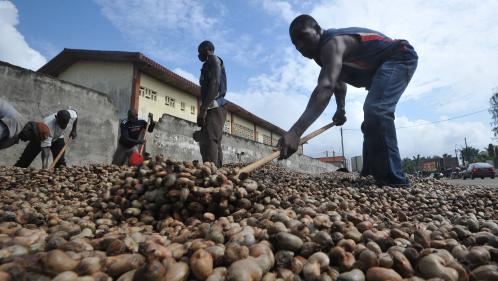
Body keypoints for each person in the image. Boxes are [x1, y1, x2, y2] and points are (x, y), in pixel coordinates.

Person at [278, 15, 418, 187]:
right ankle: (370, 173)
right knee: (371, 120)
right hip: (378, 71)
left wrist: (295, 132)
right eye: (295, 43)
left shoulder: (332, 43)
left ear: (317, 30)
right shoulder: (321, 56)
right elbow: (338, 81)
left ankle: (394, 182)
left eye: (304, 37)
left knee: (377, 110)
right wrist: (341, 109)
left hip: (399, 56)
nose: (300, 46)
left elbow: (326, 86)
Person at [197, 40, 228, 167]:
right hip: (210, 107)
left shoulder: (213, 60)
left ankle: (213, 175)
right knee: (208, 141)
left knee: (211, 141)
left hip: (215, 106)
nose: (198, 55)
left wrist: (203, 109)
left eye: (199, 52)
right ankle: (214, 171)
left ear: (206, 48)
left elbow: (215, 83)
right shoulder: (207, 64)